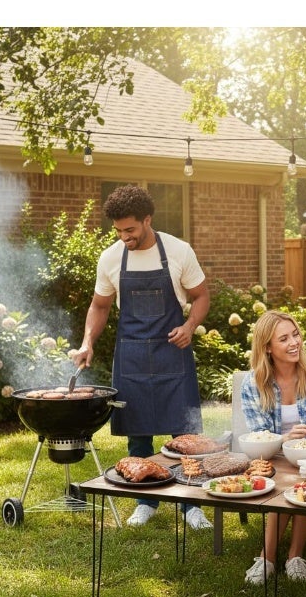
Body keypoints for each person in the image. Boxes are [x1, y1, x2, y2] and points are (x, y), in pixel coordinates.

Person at [72, 184, 213, 529]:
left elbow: (201, 295)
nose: (124, 237)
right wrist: (87, 341)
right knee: (138, 434)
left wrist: (190, 325)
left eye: (130, 229)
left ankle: (191, 504)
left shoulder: (178, 251)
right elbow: (100, 306)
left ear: (147, 219)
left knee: (186, 433)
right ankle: (145, 500)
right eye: (119, 231)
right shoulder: (111, 258)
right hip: (132, 355)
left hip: (172, 353)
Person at [241, 310, 306, 585]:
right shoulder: (253, 382)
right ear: (268, 348)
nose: (294, 342)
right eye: (284, 339)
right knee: (280, 480)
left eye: (295, 334)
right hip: (274, 456)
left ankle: (295, 556)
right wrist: (285, 440)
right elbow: (257, 438)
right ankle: (267, 558)